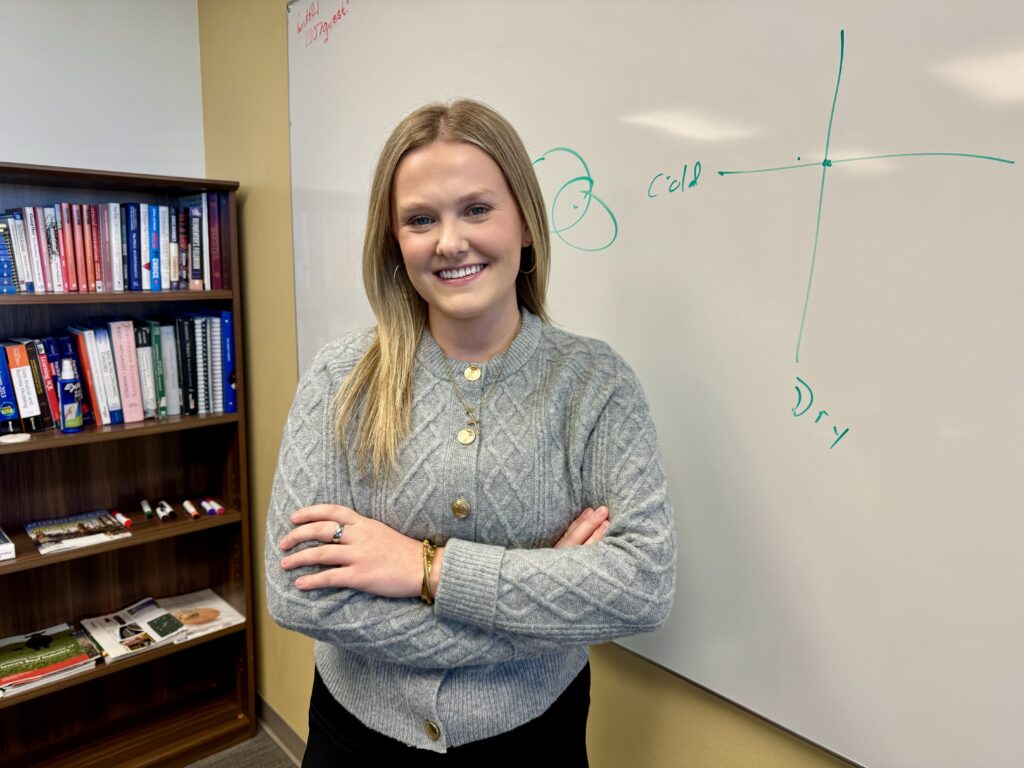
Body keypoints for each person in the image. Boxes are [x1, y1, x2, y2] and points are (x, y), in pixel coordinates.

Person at [265, 99, 676, 765]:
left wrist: (423, 568)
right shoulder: (340, 378)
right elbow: (297, 594)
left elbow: (642, 586)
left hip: (532, 737)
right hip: (358, 736)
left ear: (526, 225)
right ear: (395, 242)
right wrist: (541, 607)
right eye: (420, 219)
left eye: (476, 209)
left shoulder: (596, 384)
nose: (449, 241)